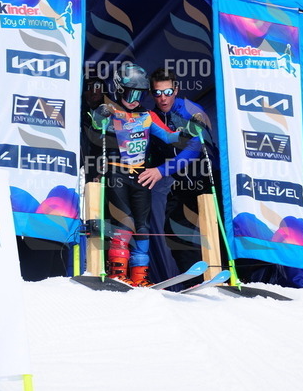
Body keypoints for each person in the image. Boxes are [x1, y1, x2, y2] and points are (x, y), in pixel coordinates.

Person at [92, 62, 184, 287]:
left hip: (141, 176)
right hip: (116, 174)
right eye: (131, 93)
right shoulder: (111, 111)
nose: (135, 100)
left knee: (143, 228)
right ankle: (117, 272)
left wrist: (190, 129)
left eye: (141, 94)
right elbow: (94, 126)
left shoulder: (147, 115)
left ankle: (139, 276)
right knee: (124, 223)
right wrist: (100, 114)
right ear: (119, 89)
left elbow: (169, 136)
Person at [138, 67, 216, 281]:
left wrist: (161, 171)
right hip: (182, 185)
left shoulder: (191, 110)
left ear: (176, 90)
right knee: (174, 232)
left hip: (209, 179)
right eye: (157, 93)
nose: (163, 98)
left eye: (168, 92)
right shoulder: (151, 117)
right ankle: (195, 281)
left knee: (216, 231)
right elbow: (148, 153)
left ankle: (229, 277)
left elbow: (193, 149)